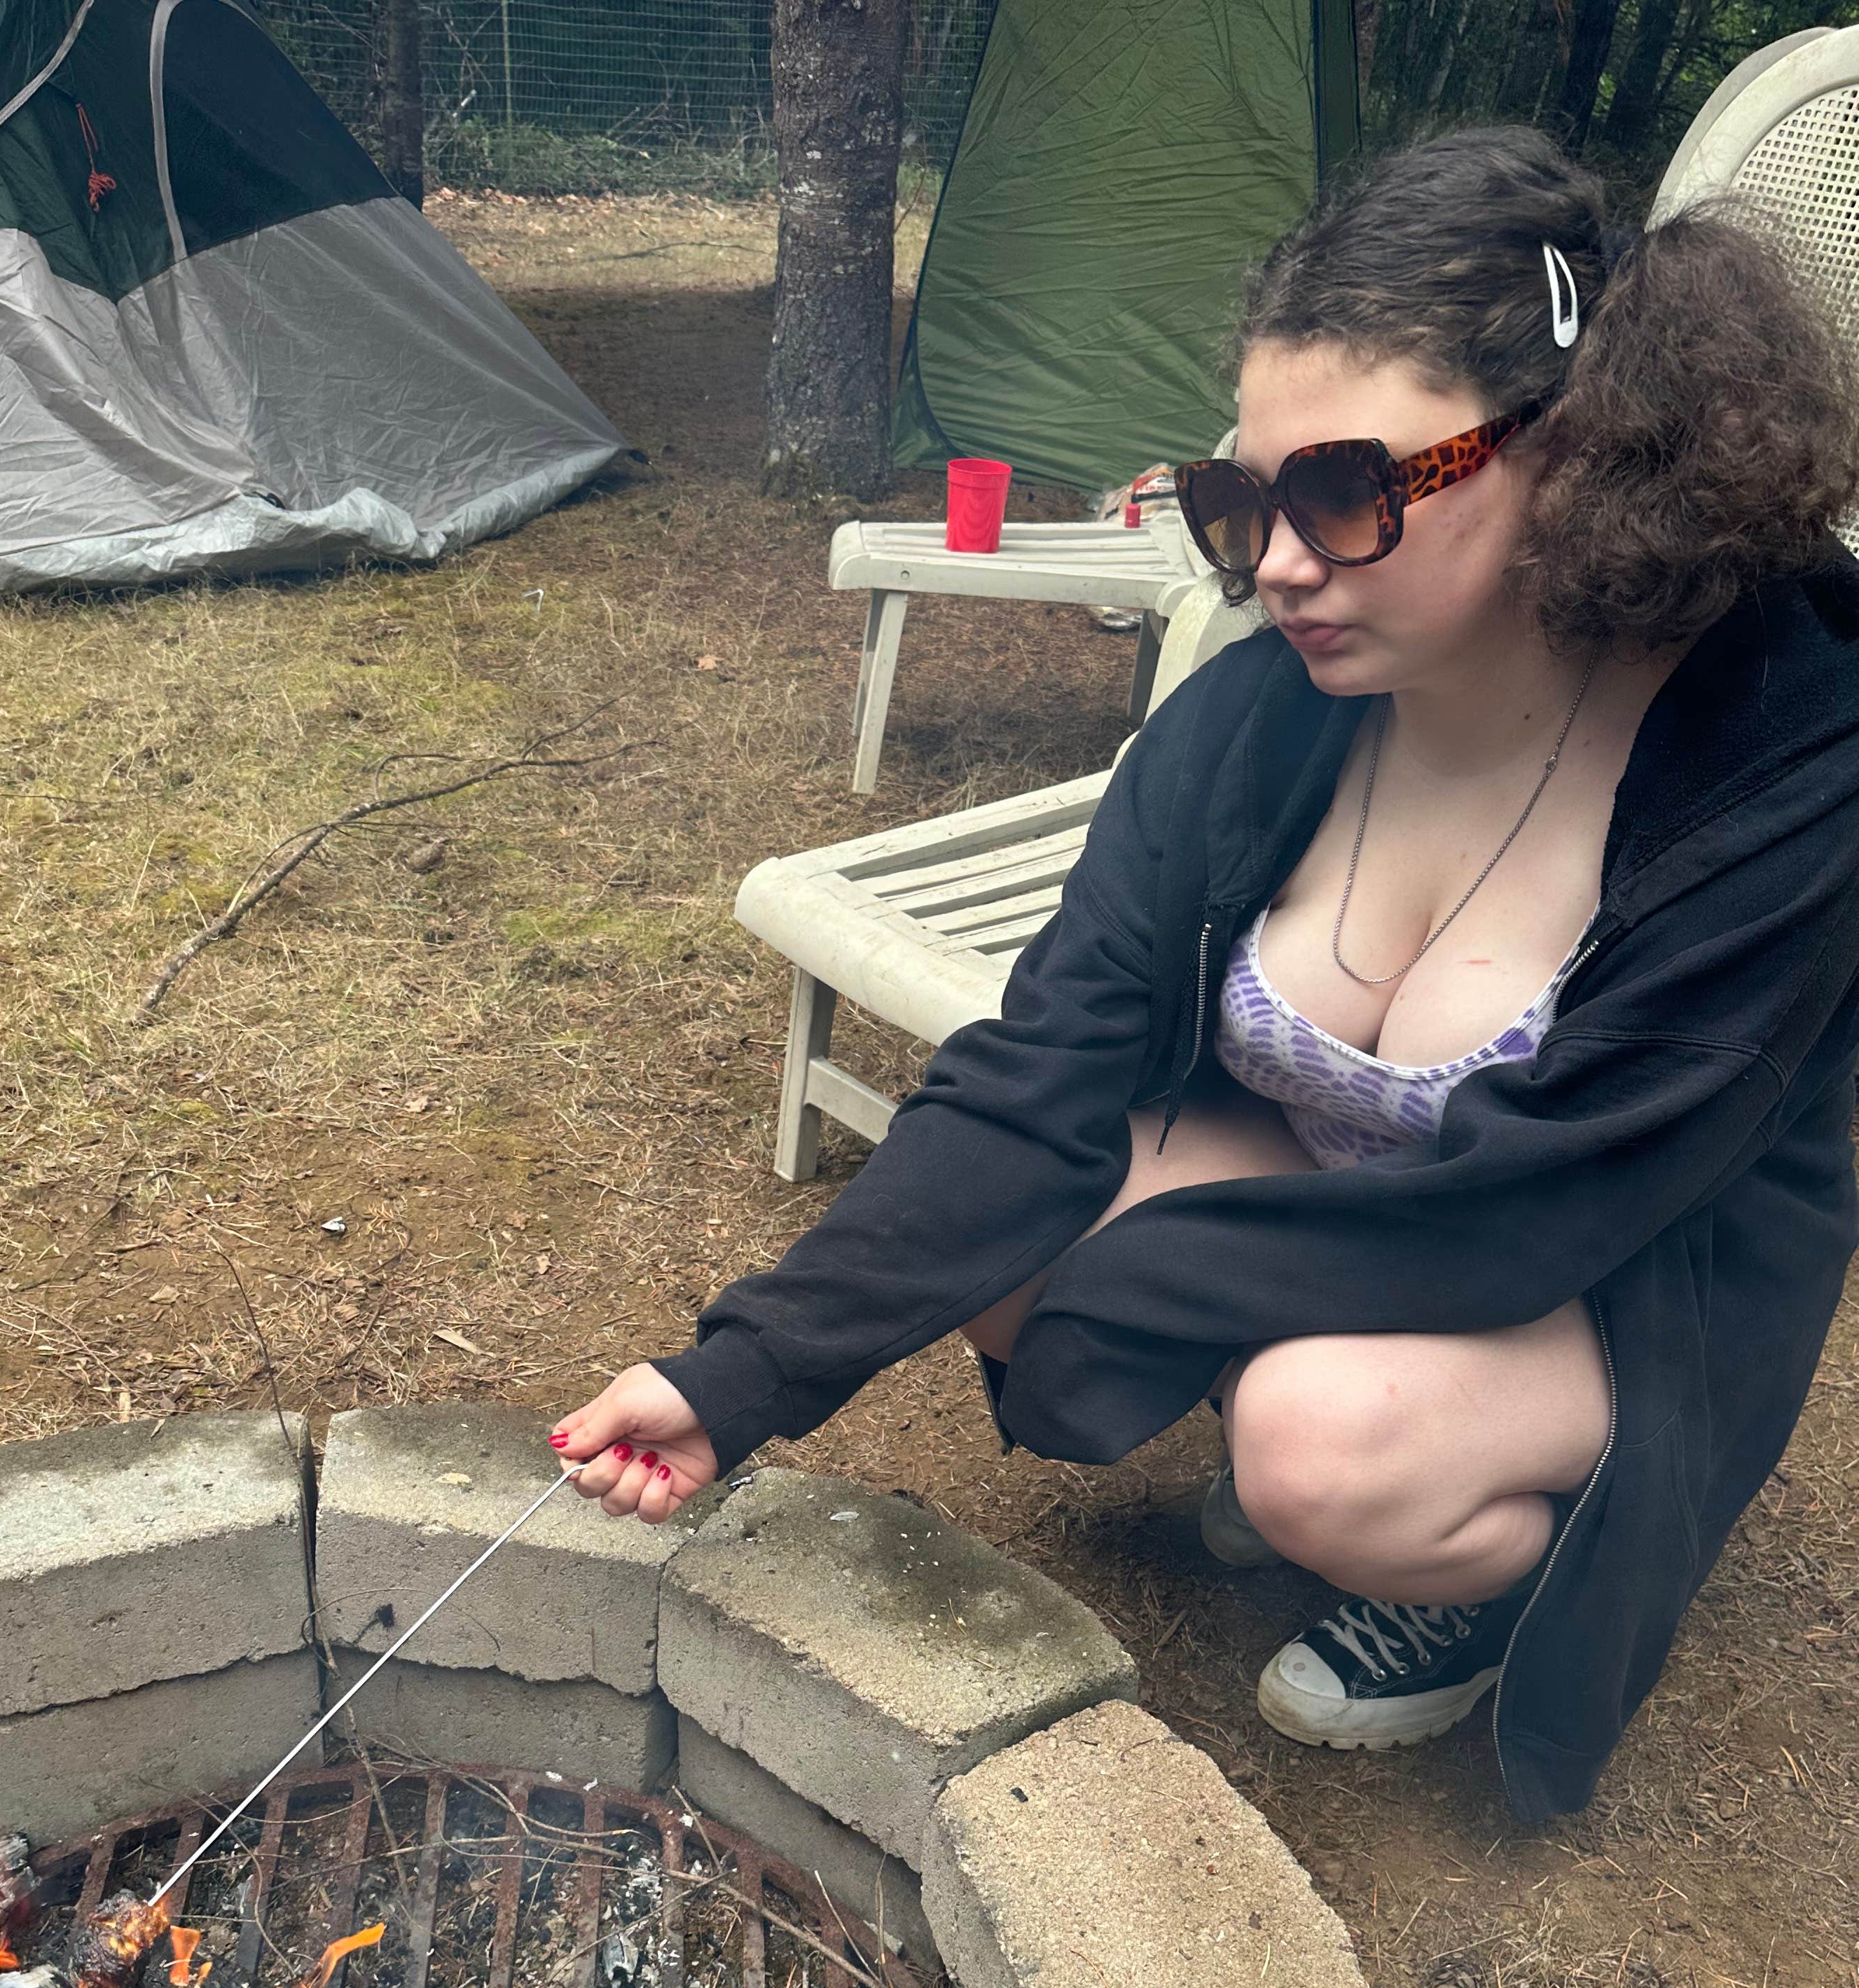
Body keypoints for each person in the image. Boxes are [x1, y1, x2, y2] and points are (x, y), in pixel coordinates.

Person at [548, 126, 1859, 1823]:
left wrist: (1159, 1297)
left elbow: (1547, 1205)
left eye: (1346, 491)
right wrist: (742, 1375)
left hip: (1615, 1270)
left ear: (1574, 455)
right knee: (1007, 1253)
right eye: (1243, 500)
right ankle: (1315, 1402)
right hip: (1358, 1203)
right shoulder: (1259, 715)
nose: (1280, 563)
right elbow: (1044, 1069)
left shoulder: (1786, 761)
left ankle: (1484, 1576)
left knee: (1316, 1439)